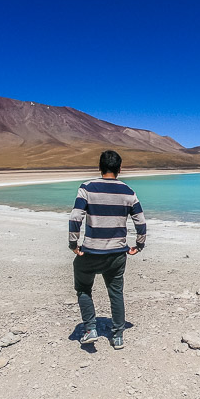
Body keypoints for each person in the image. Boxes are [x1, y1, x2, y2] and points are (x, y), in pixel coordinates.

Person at [68, 150, 146, 349]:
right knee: (116, 293)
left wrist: (73, 244)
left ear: (99, 167)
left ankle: (90, 329)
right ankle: (118, 335)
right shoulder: (129, 192)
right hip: (117, 254)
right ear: (120, 169)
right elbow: (141, 221)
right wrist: (139, 244)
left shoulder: (86, 188)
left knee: (84, 288)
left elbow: (75, 217)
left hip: (90, 252)